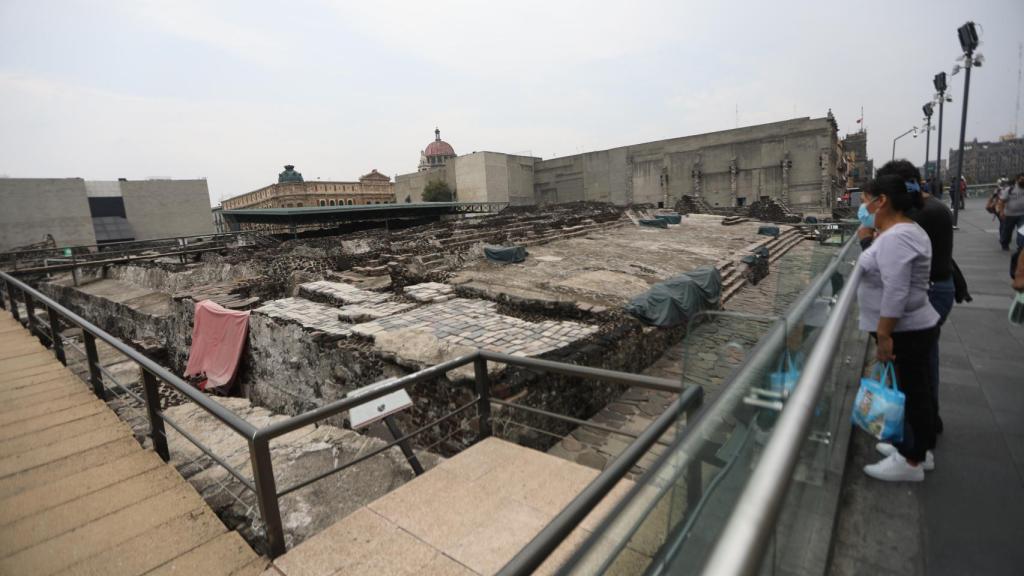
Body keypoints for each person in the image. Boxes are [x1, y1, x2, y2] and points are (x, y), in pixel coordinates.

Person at [857, 175, 940, 482]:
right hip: (915, 326)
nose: (864, 206)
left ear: (883, 201)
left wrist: (883, 335)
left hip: (905, 330)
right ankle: (919, 450)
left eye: (868, 200)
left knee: (913, 392)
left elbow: (896, 291)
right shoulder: (906, 231)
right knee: (917, 390)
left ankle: (911, 461)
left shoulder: (896, 238)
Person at [873, 160, 954, 436]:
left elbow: (892, 273)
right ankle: (927, 427)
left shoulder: (916, 218)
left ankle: (917, 440)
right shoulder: (931, 210)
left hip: (928, 294)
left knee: (915, 370)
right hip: (937, 288)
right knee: (924, 364)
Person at [997, 173, 1024, 251]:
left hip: (1022, 215)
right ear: (1017, 179)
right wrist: (1001, 212)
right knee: (1007, 232)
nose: (1023, 181)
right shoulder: (1009, 189)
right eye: (1022, 179)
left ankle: (1021, 246)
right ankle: (1004, 244)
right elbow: (1001, 201)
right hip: (1009, 215)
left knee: (1022, 231)